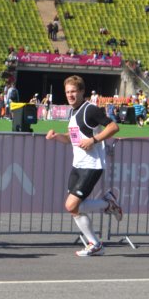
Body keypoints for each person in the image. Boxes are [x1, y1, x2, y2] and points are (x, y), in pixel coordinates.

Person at [45, 75, 123, 257]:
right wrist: (57, 137)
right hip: (77, 165)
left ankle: (106, 208)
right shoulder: (73, 112)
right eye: (67, 92)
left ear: (81, 91)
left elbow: (113, 127)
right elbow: (73, 139)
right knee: (74, 208)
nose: (70, 95)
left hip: (92, 165)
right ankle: (95, 242)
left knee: (71, 205)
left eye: (73, 91)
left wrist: (93, 140)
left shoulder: (90, 110)